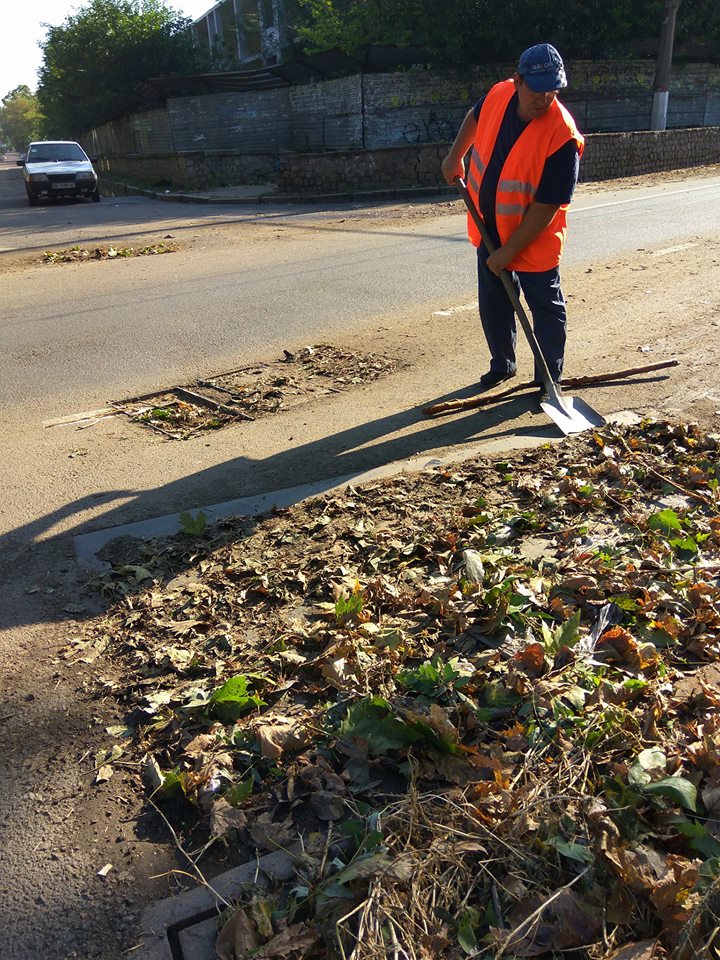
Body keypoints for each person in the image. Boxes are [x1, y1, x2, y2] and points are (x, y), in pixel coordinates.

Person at [441, 42, 584, 400]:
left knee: (545, 309)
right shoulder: (499, 94)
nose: (545, 99)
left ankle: (548, 378)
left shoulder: (562, 135)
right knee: (494, 301)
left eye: (554, 89)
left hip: (533, 239)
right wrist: (454, 156)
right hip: (488, 226)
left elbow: (547, 205)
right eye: (538, 89)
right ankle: (502, 363)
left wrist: (509, 252)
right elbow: (475, 118)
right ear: (518, 80)